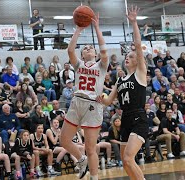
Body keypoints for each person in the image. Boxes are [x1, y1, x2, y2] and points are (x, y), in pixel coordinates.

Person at [97, 6, 148, 180]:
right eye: (126, 56)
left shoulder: (140, 73)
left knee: (127, 158)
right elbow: (109, 101)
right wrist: (98, 96)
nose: (128, 57)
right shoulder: (120, 80)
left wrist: (134, 23)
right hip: (125, 118)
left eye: (131, 56)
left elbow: (139, 46)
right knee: (126, 163)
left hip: (138, 118)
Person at [60, 11, 109, 180]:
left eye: (91, 47)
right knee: (64, 140)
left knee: (91, 147)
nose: (88, 48)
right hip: (76, 102)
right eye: (85, 48)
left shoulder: (101, 66)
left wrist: (96, 27)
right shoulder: (78, 64)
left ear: (94, 53)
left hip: (92, 105)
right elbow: (70, 49)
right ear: (82, 55)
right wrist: (78, 30)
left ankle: (94, 178)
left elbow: (104, 50)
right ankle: (81, 160)